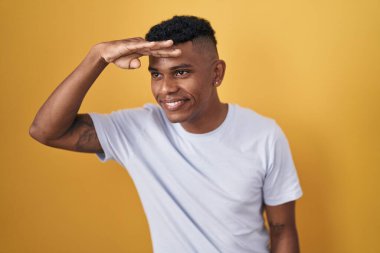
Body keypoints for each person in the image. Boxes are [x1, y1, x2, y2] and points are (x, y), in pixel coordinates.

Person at [30, 15, 303, 253]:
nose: (166, 88)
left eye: (181, 72)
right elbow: (45, 131)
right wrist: (97, 56)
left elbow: (282, 229)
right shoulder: (138, 130)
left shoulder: (264, 135)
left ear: (216, 73)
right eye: (156, 75)